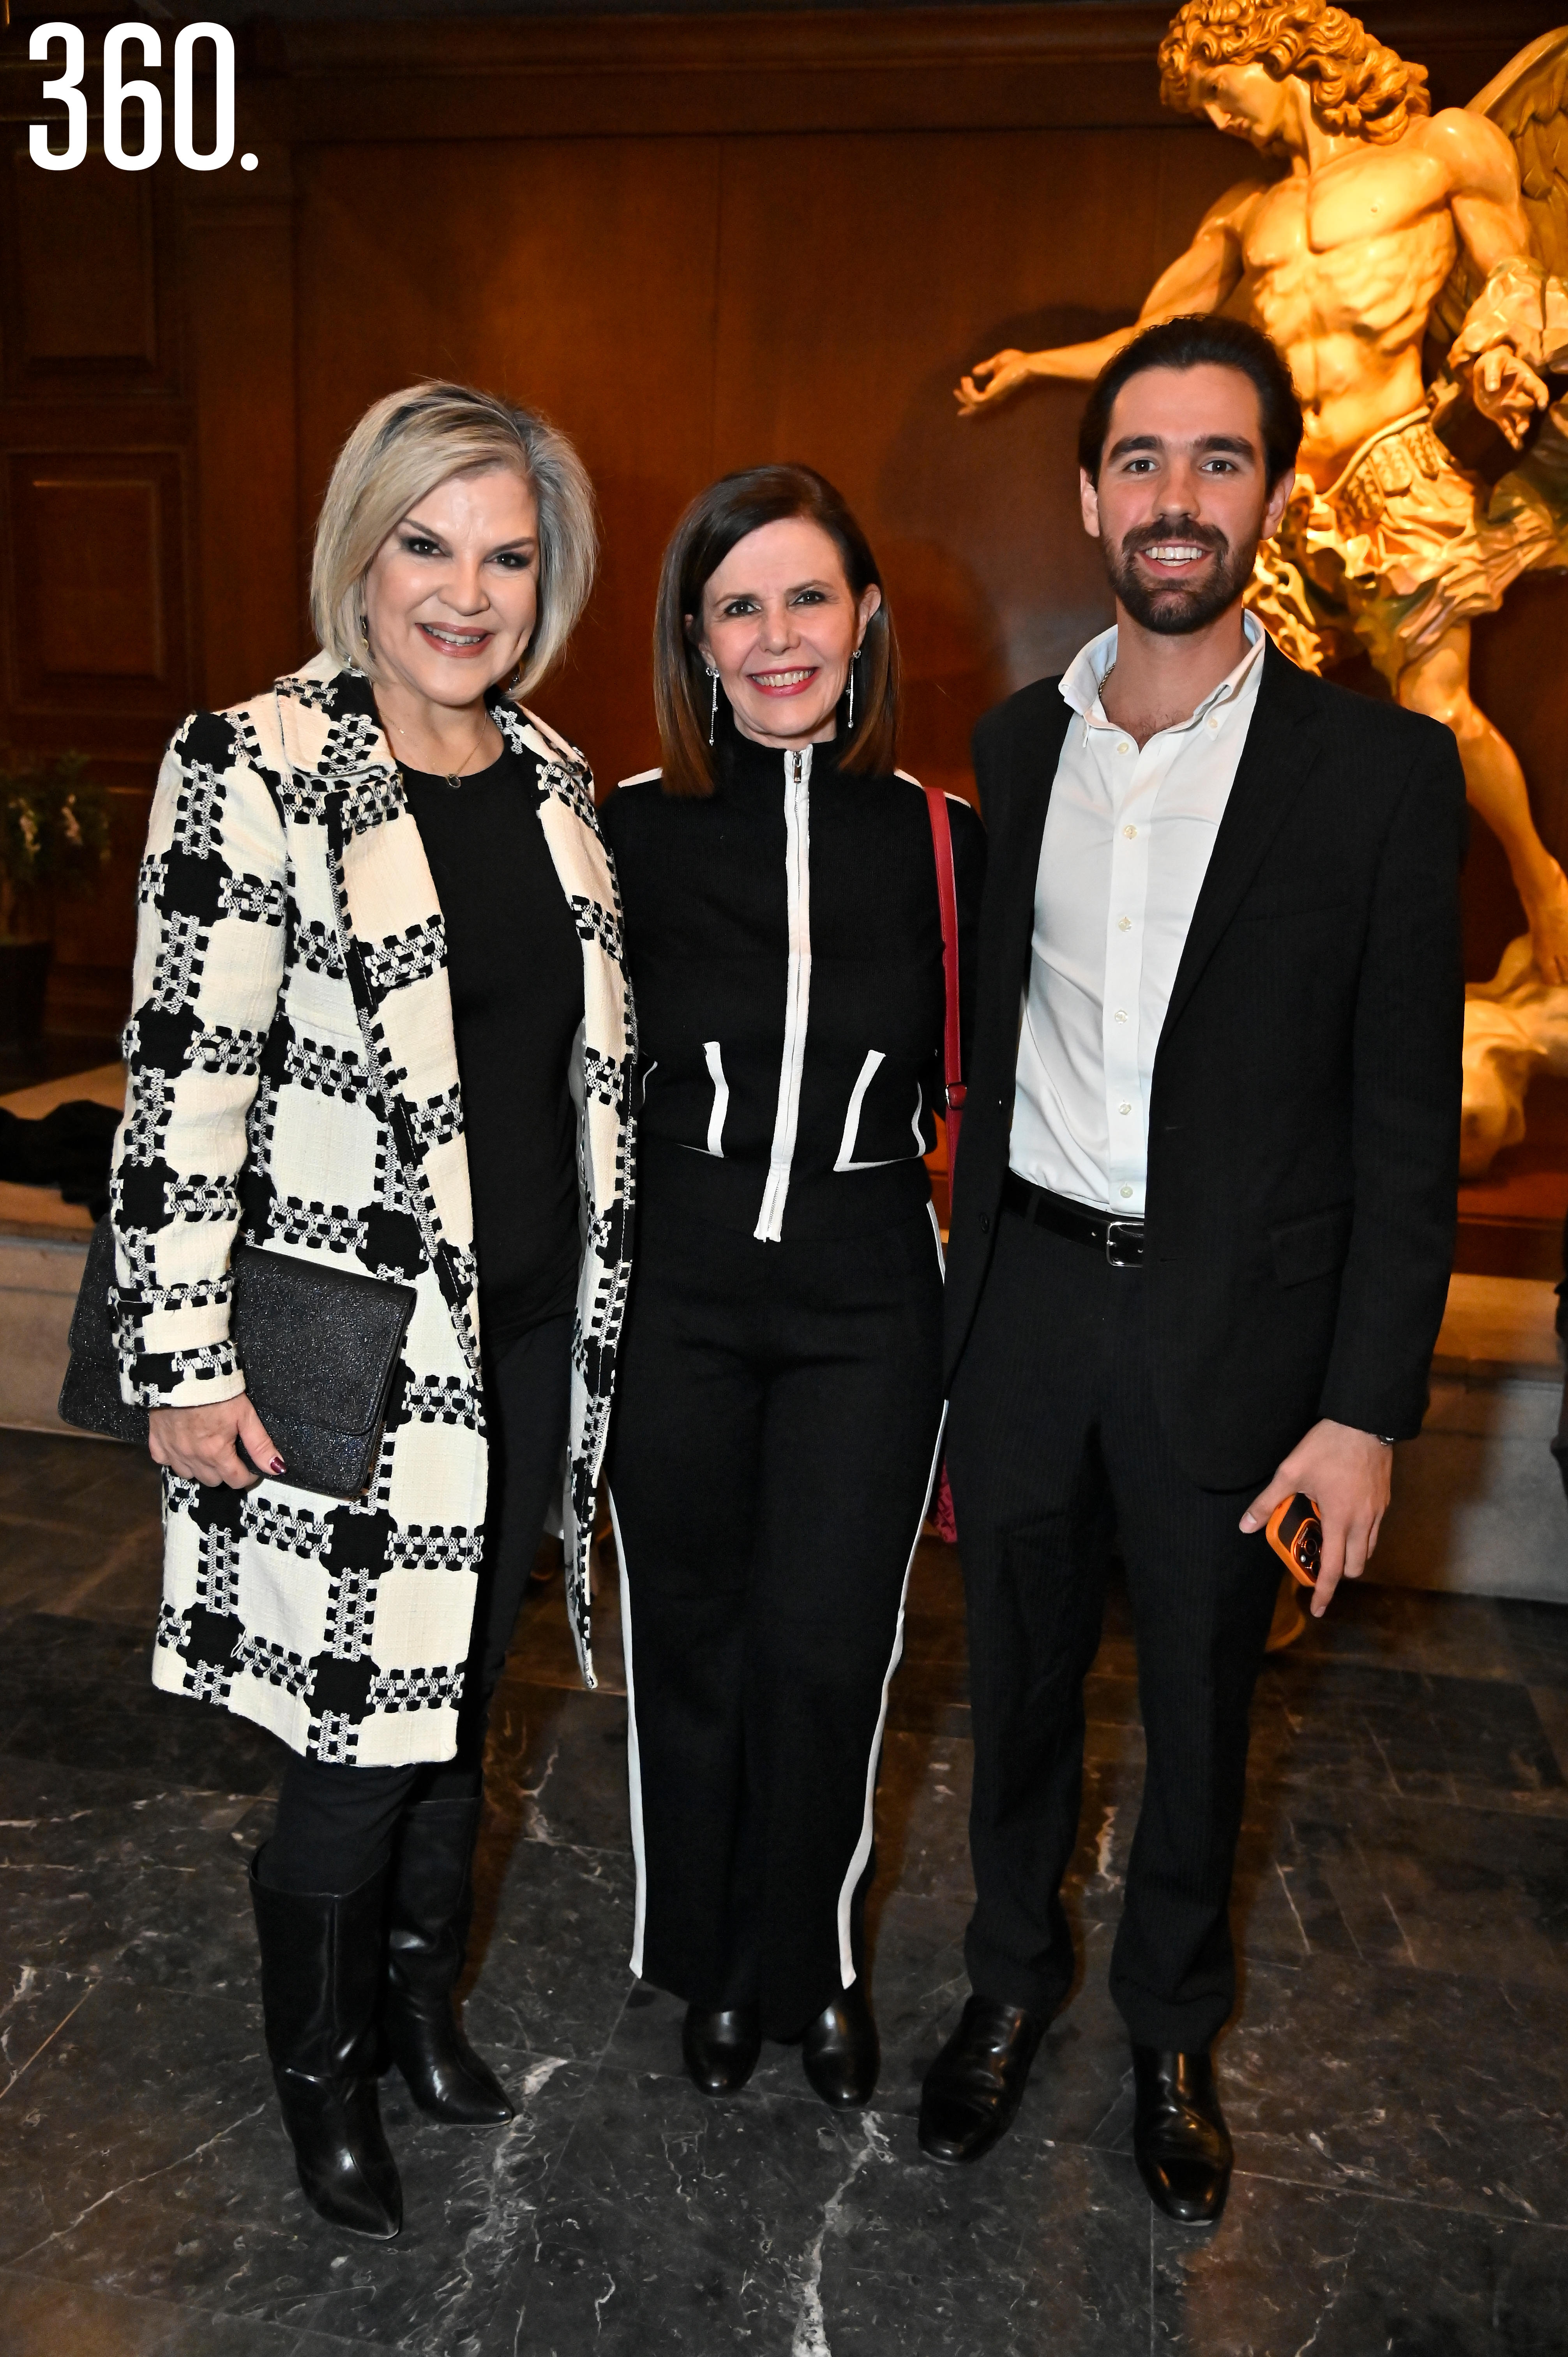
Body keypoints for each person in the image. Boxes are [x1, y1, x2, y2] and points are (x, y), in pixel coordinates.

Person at [920, 317, 1463, 2224]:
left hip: (1243, 1336)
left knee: (1209, 1713)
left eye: (1216, 461)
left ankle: (1171, 2025)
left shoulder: (1382, 776)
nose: (1173, 499)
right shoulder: (1008, 751)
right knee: (1018, 1693)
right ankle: (1005, 1985)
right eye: (1139, 461)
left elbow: (1404, 1132)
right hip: (1032, 1312)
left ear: (1274, 495)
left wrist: (1362, 1412)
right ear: (1088, 498)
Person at [110, 382, 636, 2240]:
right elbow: (188, 1082)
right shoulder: (255, 759)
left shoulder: (561, 781)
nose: (465, 592)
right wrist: (176, 1360)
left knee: (463, 1703)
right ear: (363, 545)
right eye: (429, 543)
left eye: (505, 554)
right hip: (351, 1354)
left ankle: (419, 2007)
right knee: (354, 1743)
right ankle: (320, 2077)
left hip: (523, 1343)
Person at [599, 465, 984, 2109]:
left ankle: (809, 1965)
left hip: (864, 1298)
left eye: (807, 599)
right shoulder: (617, 827)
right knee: (689, 1643)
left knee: (830, 1652)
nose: (777, 638)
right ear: (695, 637)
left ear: (866, 620)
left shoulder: (949, 843)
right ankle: (706, 1962)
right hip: (673, 1291)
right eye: (737, 605)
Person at [954, 0, 1568, 985]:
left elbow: (1518, 281)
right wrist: (1035, 366)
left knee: (1439, 713)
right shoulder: (1246, 216)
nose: (1219, 121)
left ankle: (1540, 884)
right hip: (1285, 504)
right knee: (1269, 733)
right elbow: (1154, 342)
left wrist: (1507, 356)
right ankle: (1304, 949)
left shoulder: (1443, 153)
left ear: (1277, 56)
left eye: (1219, 93)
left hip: (1400, 469)